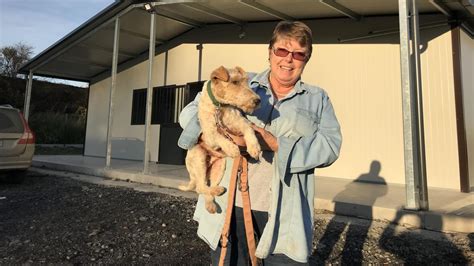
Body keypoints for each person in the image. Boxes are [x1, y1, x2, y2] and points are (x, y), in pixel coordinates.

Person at [178, 21, 342, 265]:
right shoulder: (241, 81)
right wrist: (217, 132)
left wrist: (276, 144)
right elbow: (190, 111)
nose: (289, 60)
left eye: (298, 54)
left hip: (283, 211)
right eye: (282, 51)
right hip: (229, 204)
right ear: (270, 52)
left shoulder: (317, 99)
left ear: (306, 59)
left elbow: (330, 146)